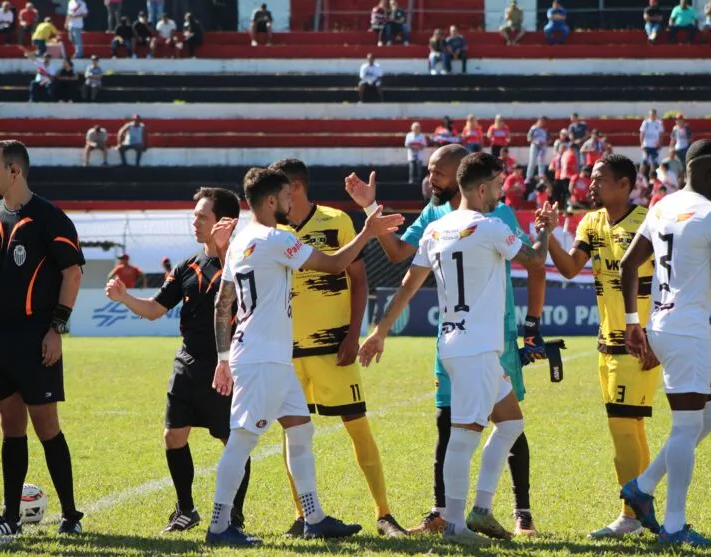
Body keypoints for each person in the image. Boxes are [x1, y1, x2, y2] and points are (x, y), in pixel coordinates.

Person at [344, 145, 549, 538]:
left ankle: (481, 509)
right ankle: (455, 523)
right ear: (483, 189)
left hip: (457, 342)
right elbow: (536, 261)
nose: (502, 192)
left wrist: (382, 329)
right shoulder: (491, 227)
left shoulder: (437, 228)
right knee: (463, 435)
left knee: (510, 424)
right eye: (499, 185)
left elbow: (410, 277)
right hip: (476, 347)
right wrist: (544, 230)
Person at [205, 167, 403, 545]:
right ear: (269, 201)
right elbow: (332, 264)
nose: (289, 202)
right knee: (243, 439)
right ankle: (217, 526)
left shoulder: (240, 240)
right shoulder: (275, 239)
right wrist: (367, 232)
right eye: (284, 197)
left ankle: (313, 518)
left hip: (269, 358)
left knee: (300, 429)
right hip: (264, 360)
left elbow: (222, 302)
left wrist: (223, 356)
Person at [619, 139, 711, 546]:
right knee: (687, 427)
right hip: (687, 333)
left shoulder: (662, 206)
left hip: (662, 325)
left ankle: (643, 486)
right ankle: (673, 527)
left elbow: (628, 264)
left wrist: (633, 322)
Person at [269, 159, 408, 538]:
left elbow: (358, 280)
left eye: (278, 189)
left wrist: (351, 334)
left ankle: (384, 513)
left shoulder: (336, 220)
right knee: (292, 433)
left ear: (294, 187)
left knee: (357, 427)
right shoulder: (272, 229)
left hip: (333, 346)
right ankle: (304, 516)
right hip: (285, 352)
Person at [104, 188, 253, 533]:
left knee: (233, 442)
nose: (195, 221)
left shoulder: (245, 263)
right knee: (173, 436)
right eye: (195, 214)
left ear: (225, 222)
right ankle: (186, 509)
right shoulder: (188, 265)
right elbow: (156, 309)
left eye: (203, 216)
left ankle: (234, 514)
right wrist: (125, 298)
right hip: (187, 362)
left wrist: (226, 249)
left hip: (227, 365)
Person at [543, 154, 659, 538]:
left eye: (599, 179)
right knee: (632, 429)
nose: (590, 185)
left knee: (623, 428)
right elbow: (571, 268)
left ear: (625, 183)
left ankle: (630, 515)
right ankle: (643, 514)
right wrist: (548, 236)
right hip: (605, 344)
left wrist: (656, 335)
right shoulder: (591, 222)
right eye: (591, 179)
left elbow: (670, 284)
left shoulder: (650, 223)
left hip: (639, 343)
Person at [0, 140, 86, 536]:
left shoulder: (49, 217)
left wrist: (57, 328)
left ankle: (70, 515)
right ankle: (11, 519)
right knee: (11, 427)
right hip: (2, 336)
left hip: (37, 336)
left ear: (14, 170)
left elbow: (73, 273)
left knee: (46, 426)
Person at [640, 109, 664, 175]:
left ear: (656, 115)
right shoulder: (646, 122)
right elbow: (642, 133)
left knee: (653, 163)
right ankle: (640, 177)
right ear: (649, 115)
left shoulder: (659, 123)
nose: (652, 116)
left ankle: (652, 178)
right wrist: (642, 144)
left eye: (654, 114)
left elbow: (661, 134)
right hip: (646, 145)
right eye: (651, 114)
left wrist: (660, 144)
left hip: (655, 146)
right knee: (644, 161)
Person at [404, 121, 428, 186]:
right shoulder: (409, 135)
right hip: (411, 154)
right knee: (412, 167)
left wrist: (419, 147)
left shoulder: (421, 136)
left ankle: (419, 179)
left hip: (419, 154)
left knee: (419, 167)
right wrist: (413, 146)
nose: (416, 130)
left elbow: (424, 145)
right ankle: (411, 179)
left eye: (417, 128)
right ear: (412, 129)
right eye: (415, 128)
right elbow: (406, 144)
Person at [526, 117, 548, 183]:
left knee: (541, 162)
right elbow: (529, 138)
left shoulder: (545, 129)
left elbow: (549, 139)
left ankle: (541, 177)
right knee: (532, 161)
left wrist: (545, 143)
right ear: (538, 121)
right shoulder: (533, 128)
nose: (542, 123)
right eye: (541, 121)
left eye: (543, 121)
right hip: (535, 146)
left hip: (543, 147)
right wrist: (535, 142)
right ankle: (528, 178)